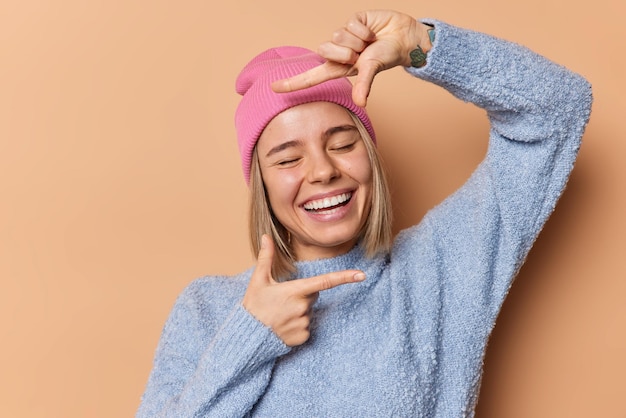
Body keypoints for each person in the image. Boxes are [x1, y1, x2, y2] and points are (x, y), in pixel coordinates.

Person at [137, 9, 592, 417]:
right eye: (288, 158)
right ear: (262, 184)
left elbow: (557, 110)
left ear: (369, 155)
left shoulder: (440, 269)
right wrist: (250, 338)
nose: (322, 171)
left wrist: (422, 44)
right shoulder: (207, 309)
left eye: (341, 143)